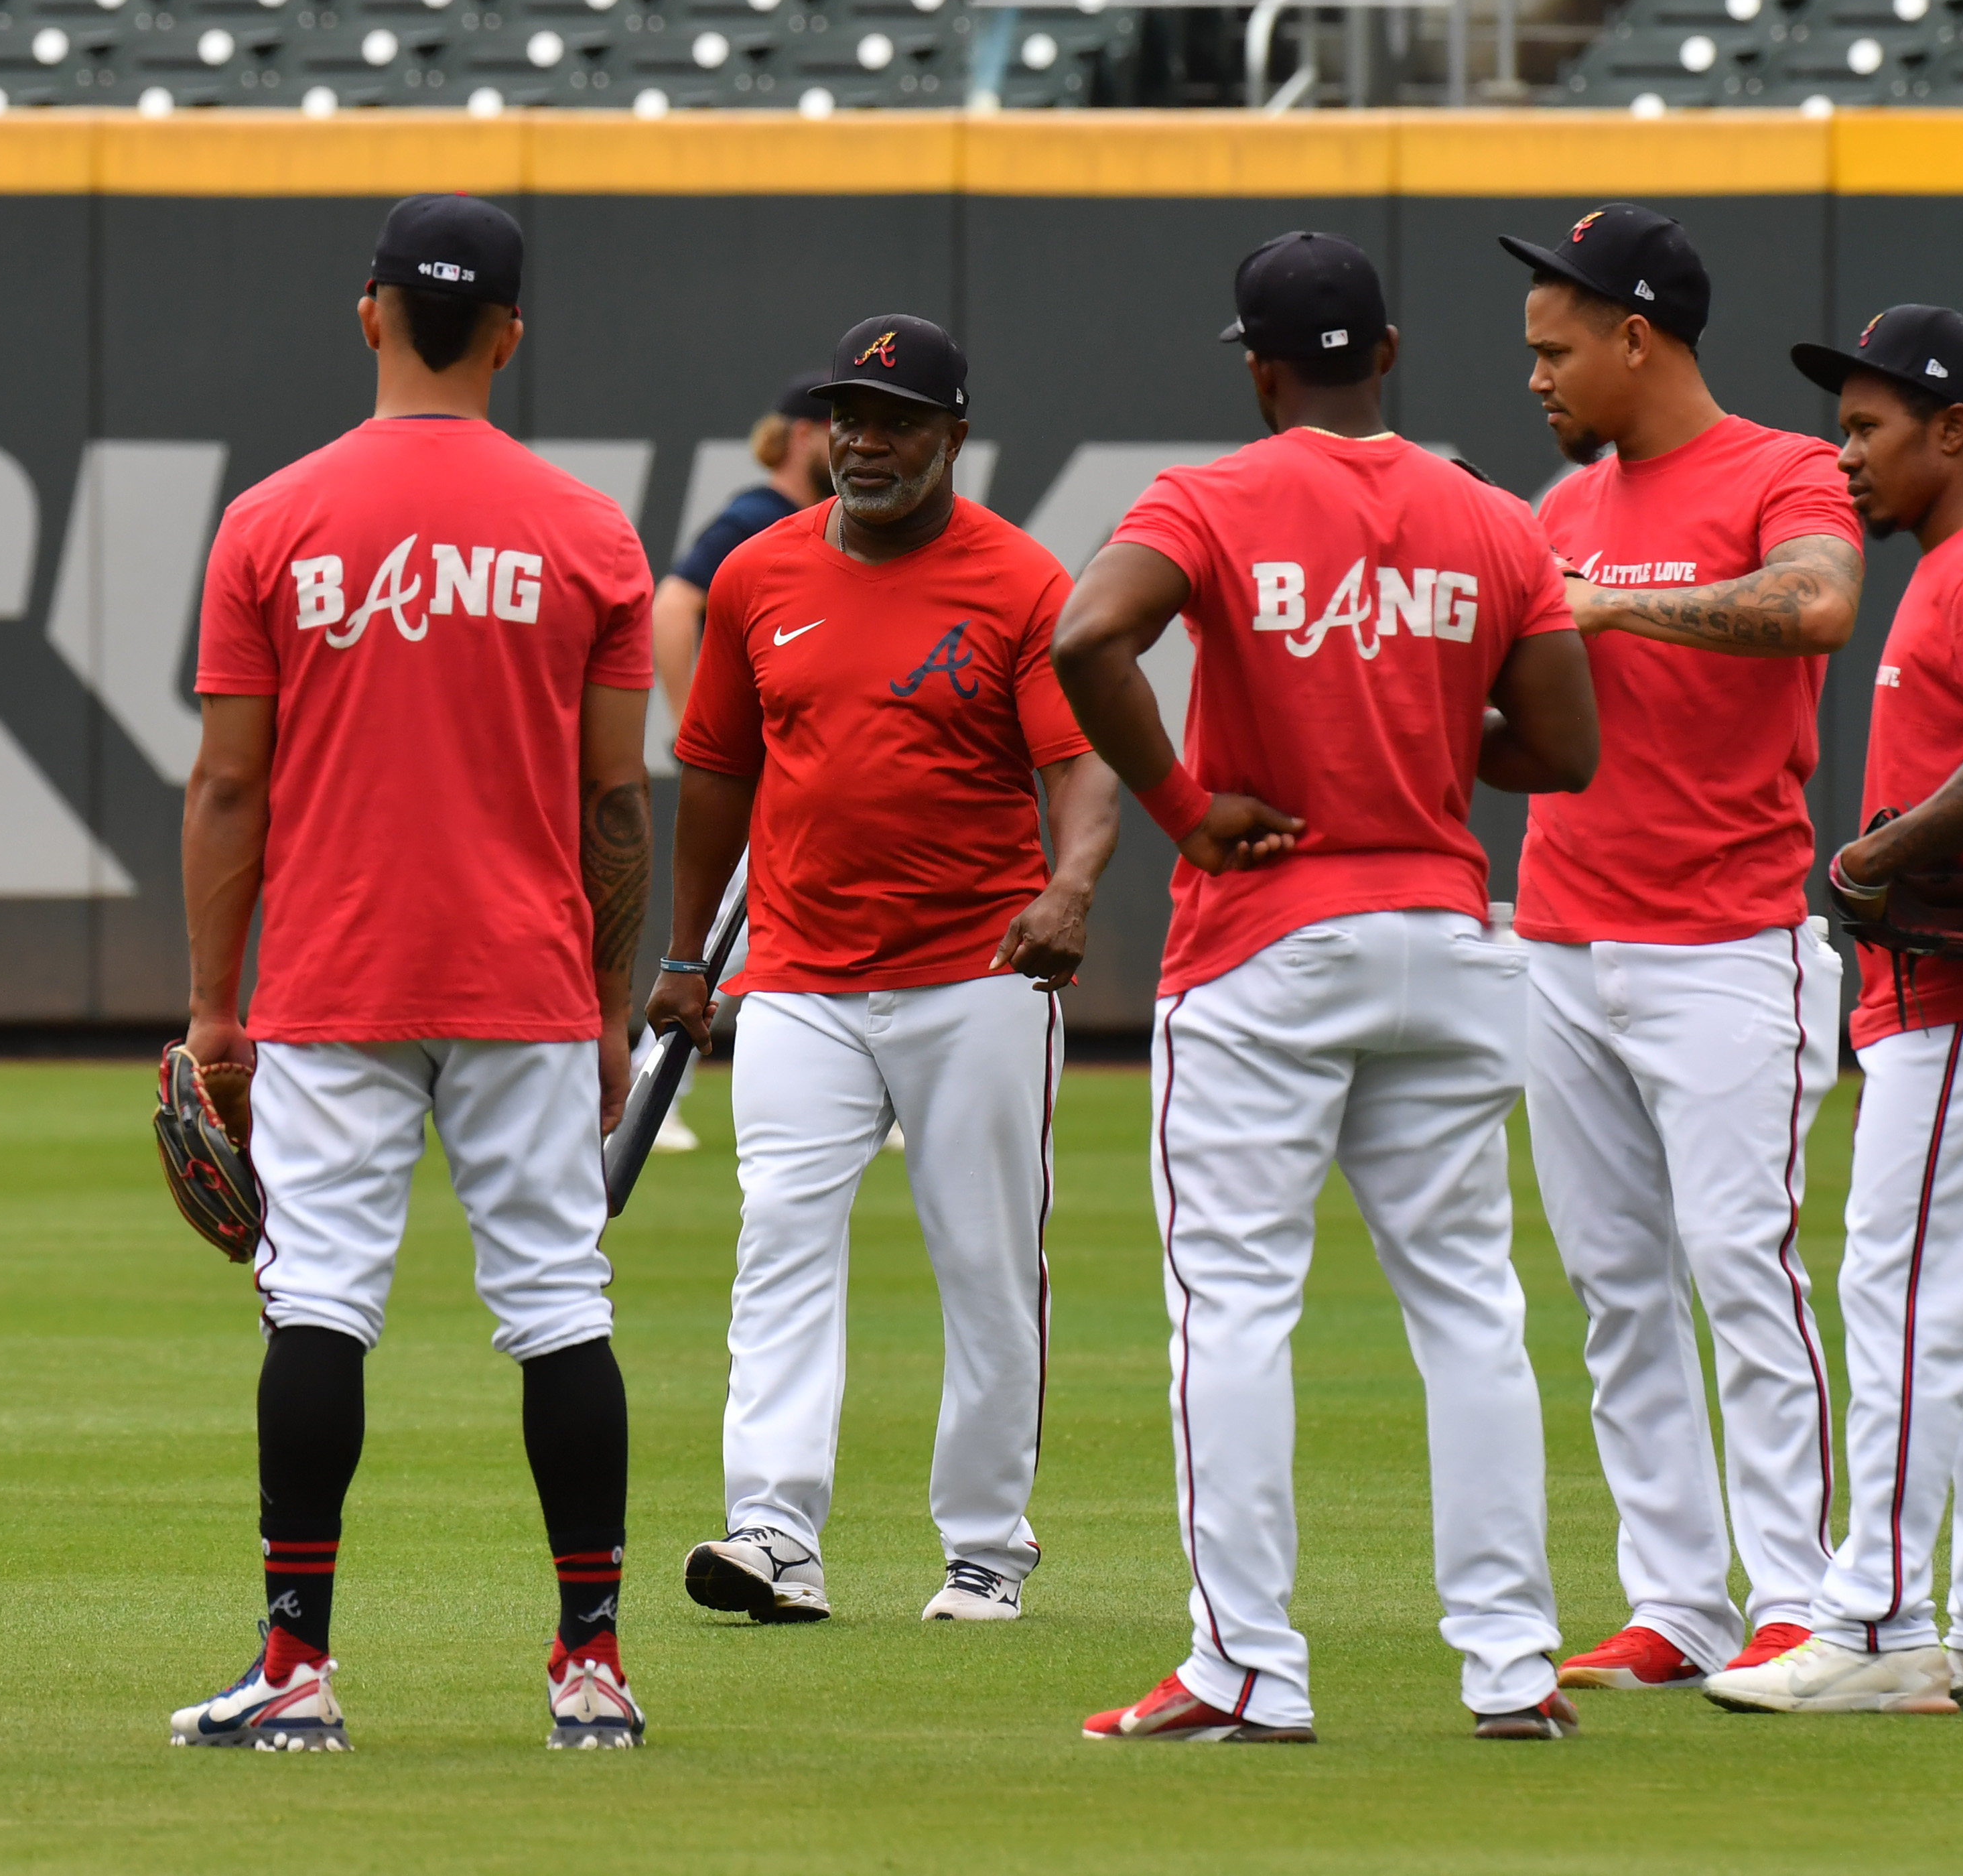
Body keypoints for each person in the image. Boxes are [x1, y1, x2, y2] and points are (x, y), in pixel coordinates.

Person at [1050, 233, 1602, 1745]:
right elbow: (1563, 747)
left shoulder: (1212, 495)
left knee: (1232, 1307)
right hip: (1444, 931)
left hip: (1270, 945)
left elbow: (1089, 633)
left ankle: (1247, 1667)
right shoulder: (1490, 511)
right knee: (1472, 1310)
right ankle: (1509, 1664)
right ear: (1393, 350)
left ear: (1257, 364)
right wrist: (1422, 724)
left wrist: (1177, 803)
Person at [174, 194, 659, 1752]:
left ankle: (295, 1669)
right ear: (511, 336)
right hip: (523, 970)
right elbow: (616, 803)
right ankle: (591, 1666)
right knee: (560, 1307)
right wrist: (600, 1003)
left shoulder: (273, 517)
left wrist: (209, 1002)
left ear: (368, 312)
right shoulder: (589, 530)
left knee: (318, 1302)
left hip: (333, 968)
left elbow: (229, 787)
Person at [652, 316, 1122, 1627]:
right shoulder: (756, 573)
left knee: (983, 1259)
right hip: (798, 971)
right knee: (779, 1239)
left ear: (951, 437)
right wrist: (691, 953)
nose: (864, 439)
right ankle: (772, 1531)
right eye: (848, 414)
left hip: (976, 970)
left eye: (896, 419)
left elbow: (1080, 766)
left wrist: (1069, 885)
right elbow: (716, 774)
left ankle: (984, 1546)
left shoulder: (1022, 581)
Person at [1710, 307, 1963, 1717]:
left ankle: (1872, 1626)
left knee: (1903, 1297)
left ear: (1955, 432)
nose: (1845, 451)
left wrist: (1876, 851)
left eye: (1870, 426)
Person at [1499, 204, 1865, 1691]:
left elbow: (1820, 601)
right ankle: (1676, 1597)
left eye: (1556, 344)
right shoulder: (1555, 508)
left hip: (1728, 937)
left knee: (1739, 1262)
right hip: (1562, 934)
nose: (1535, 372)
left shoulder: (1781, 467)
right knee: (1612, 1279)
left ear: (1636, 333)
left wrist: (1614, 609)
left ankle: (1798, 1593)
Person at [640, 370, 831, 1158]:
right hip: (761, 777)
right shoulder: (760, 517)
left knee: (757, 939)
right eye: (833, 425)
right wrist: (699, 725)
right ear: (796, 436)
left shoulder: (817, 527)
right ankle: (651, 1096)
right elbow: (673, 602)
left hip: (796, 778)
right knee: (721, 943)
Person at [653, 370, 833, 723]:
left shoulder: (811, 521)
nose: (854, 444)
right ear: (803, 434)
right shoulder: (755, 519)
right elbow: (673, 605)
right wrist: (689, 726)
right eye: (839, 429)